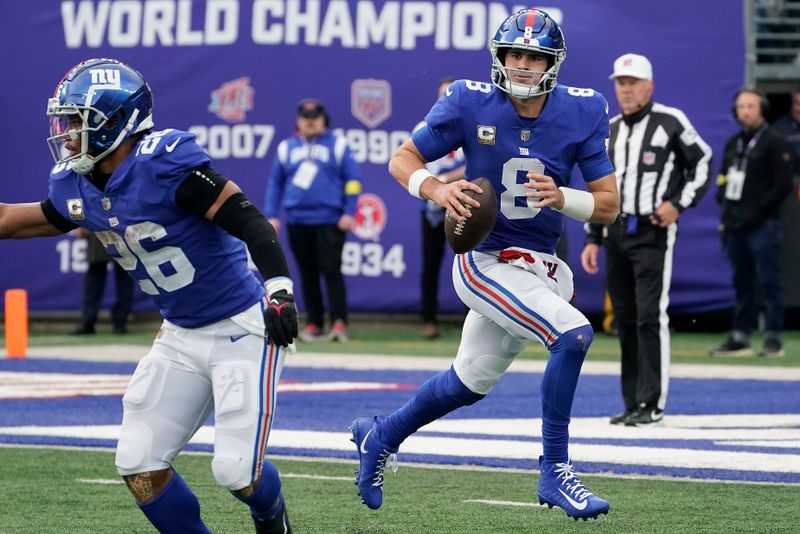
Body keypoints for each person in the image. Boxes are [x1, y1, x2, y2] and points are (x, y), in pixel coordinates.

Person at [0, 58, 298, 534]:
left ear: (114, 122)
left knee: (237, 472)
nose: (67, 132)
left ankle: (271, 515)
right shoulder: (77, 183)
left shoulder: (165, 163)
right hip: (180, 335)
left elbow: (248, 219)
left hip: (241, 327)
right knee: (138, 463)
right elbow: (18, 219)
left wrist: (279, 288)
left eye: (78, 120)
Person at [350, 8, 619, 521]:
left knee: (467, 382)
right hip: (486, 259)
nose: (520, 64)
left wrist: (563, 196)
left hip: (541, 266)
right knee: (572, 335)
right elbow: (402, 158)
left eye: (532, 55)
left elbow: (608, 203)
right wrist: (435, 187)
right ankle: (555, 471)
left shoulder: (583, 110)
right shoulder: (469, 100)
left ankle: (379, 436)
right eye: (513, 53)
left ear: (552, 63)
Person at [580, 54, 712, 427]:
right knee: (624, 316)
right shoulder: (612, 129)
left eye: (632, 83)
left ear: (648, 87)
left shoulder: (671, 121)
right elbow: (599, 187)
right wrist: (593, 236)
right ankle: (632, 401)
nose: (625, 89)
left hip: (652, 230)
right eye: (620, 83)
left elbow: (702, 160)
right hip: (616, 230)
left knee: (650, 315)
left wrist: (678, 204)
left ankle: (652, 403)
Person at [263, 99, 362, 343]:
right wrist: (271, 214)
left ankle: (339, 323)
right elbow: (275, 182)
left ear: (323, 119)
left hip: (330, 220)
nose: (310, 120)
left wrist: (349, 211)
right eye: (305, 116)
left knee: (331, 272)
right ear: (298, 120)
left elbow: (353, 180)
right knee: (307, 274)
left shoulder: (337, 145)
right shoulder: (287, 147)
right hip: (298, 220)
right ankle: (315, 323)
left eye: (315, 116)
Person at [710, 89, 793, 358]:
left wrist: (759, 209)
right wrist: (725, 201)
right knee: (741, 281)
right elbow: (724, 176)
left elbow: (783, 186)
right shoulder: (734, 142)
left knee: (769, 281)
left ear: (762, 109)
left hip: (763, 224)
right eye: (741, 106)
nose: (745, 111)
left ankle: (773, 337)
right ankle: (741, 336)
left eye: (751, 106)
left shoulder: (775, 142)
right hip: (736, 224)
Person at [416, 78, 466, 339]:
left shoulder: (470, 125)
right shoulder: (424, 128)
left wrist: (444, 179)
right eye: (441, 95)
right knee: (431, 264)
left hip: (467, 206)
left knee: (474, 262)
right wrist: (445, 181)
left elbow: (474, 168)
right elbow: (415, 166)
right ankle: (428, 320)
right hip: (434, 208)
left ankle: (476, 320)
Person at [72, 228, 134, 335]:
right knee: (95, 275)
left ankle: (121, 322)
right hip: (98, 223)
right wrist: (78, 225)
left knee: (126, 274)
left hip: (123, 224)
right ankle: (88, 321)